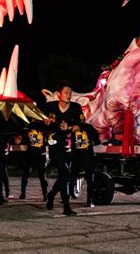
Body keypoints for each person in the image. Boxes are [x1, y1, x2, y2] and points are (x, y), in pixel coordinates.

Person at [44, 80, 84, 216]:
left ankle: (51, 195)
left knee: (64, 174)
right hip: (54, 144)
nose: (69, 95)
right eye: (66, 93)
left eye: (70, 93)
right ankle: (66, 206)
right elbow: (37, 118)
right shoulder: (49, 106)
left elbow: (81, 125)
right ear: (59, 94)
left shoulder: (76, 108)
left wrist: (70, 128)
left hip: (68, 145)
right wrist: (46, 121)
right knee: (65, 172)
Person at [71, 120, 100, 208]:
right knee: (88, 178)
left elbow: (97, 140)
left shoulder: (87, 128)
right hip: (83, 155)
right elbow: (97, 141)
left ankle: (88, 199)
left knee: (75, 176)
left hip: (82, 156)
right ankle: (89, 200)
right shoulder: (79, 127)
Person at [19, 120, 48, 201]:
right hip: (31, 153)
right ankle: (23, 193)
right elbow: (22, 134)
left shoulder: (42, 125)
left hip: (40, 154)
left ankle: (45, 194)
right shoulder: (29, 125)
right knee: (26, 174)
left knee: (42, 175)